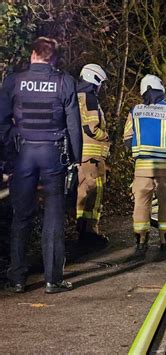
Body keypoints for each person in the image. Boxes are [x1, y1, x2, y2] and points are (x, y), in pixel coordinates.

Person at [0, 37, 82, 293]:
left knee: (21, 216)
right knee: (54, 216)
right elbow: (73, 126)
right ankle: (52, 279)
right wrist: (76, 160)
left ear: (33, 53)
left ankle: (16, 278)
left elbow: (2, 122)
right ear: (54, 58)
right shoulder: (64, 81)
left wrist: (8, 159)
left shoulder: (13, 81)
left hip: (23, 153)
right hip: (53, 154)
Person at [123, 74, 166, 254]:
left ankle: (140, 241)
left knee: (141, 204)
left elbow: (127, 139)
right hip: (165, 167)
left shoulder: (134, 111)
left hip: (142, 168)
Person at [76, 64, 110, 245]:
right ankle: (90, 231)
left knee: (82, 192)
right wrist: (105, 136)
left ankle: (81, 228)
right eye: (100, 83)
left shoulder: (75, 97)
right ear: (94, 80)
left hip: (81, 155)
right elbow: (90, 127)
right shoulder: (89, 98)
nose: (100, 88)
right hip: (93, 156)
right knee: (95, 193)